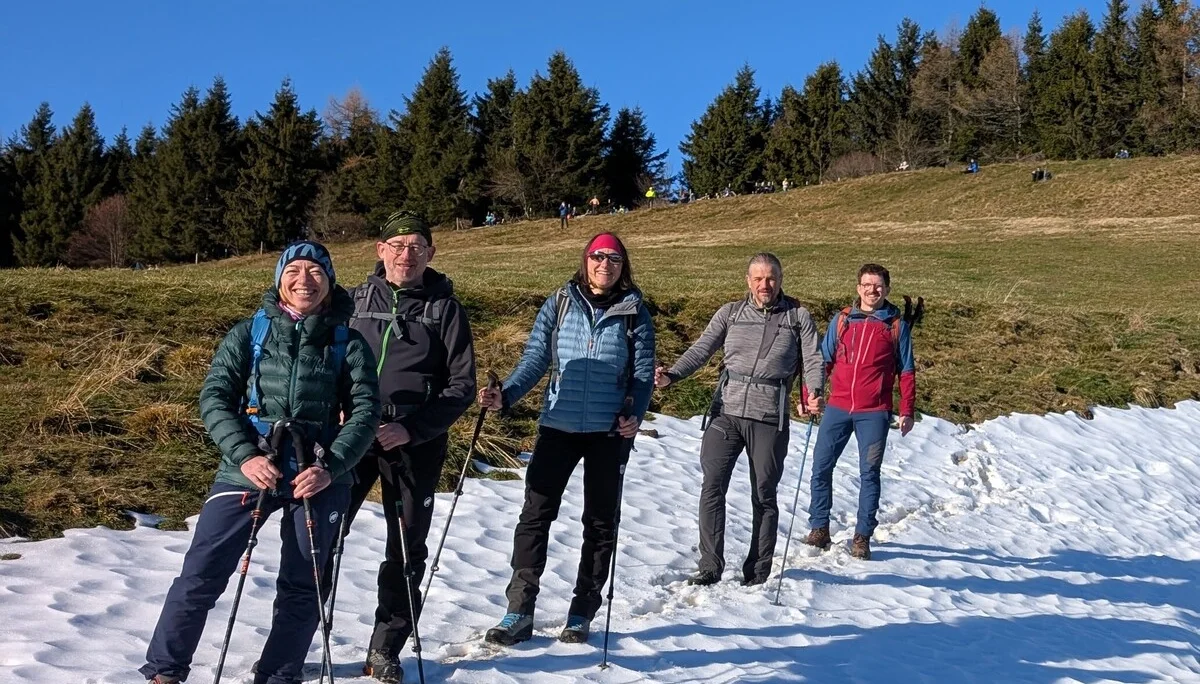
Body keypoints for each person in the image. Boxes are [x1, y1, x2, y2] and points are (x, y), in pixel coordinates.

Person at [140, 241, 381, 684]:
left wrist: (333, 468)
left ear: (329, 281)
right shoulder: (249, 334)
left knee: (303, 584)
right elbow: (215, 398)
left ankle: (278, 675)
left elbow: (366, 411)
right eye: (295, 270)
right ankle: (164, 672)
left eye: (315, 272)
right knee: (201, 574)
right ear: (279, 278)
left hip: (318, 474)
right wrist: (245, 454)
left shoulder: (347, 341)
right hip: (249, 469)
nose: (304, 280)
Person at [479, 232, 655, 646]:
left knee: (599, 522)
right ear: (585, 260)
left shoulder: (635, 312)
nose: (604, 264)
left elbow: (642, 372)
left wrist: (634, 415)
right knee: (535, 516)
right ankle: (518, 611)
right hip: (556, 426)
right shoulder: (559, 303)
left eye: (613, 258)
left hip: (608, 432)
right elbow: (535, 358)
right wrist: (506, 395)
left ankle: (581, 612)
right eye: (597, 256)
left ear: (622, 264)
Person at [340, 211, 476, 683]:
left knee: (405, 546)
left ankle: (385, 648)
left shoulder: (446, 309)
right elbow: (326, 361)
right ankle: (296, 637)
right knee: (320, 539)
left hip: (414, 443)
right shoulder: (351, 302)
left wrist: (413, 430)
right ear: (380, 251)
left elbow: (462, 386)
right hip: (349, 440)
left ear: (431, 254)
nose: (406, 253)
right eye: (396, 244)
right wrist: (337, 410)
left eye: (416, 245)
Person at [655, 253, 824, 587]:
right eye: (758, 278)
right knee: (712, 486)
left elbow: (814, 359)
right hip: (726, 413)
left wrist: (814, 391)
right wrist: (672, 375)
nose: (765, 285)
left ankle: (758, 570)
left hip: (768, 417)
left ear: (781, 279)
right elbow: (701, 349)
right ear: (748, 280)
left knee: (764, 492)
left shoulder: (798, 317)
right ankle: (710, 566)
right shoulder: (730, 313)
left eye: (771, 278)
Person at [805, 263, 916, 561]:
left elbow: (906, 370)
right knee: (821, 466)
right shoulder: (842, 320)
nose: (872, 290)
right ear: (858, 288)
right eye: (866, 285)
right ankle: (819, 527)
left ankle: (862, 535)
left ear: (887, 289)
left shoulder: (895, 326)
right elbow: (823, 360)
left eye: (878, 285)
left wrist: (907, 409)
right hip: (837, 407)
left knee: (869, 474)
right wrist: (811, 394)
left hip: (875, 411)